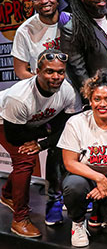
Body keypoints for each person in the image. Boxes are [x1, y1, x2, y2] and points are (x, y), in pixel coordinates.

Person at [0, 49, 81, 236]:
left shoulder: (68, 91)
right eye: (49, 71)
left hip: (27, 124)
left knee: (33, 152)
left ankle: (9, 194)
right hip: (4, 121)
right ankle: (19, 219)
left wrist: (42, 143)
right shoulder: (20, 98)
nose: (56, 77)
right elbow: (14, 136)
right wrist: (45, 131)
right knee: (25, 159)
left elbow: (68, 129)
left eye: (60, 72)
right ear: (37, 71)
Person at [58, 69, 107, 247]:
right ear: (90, 100)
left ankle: (100, 213)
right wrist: (99, 178)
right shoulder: (76, 123)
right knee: (73, 187)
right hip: (84, 176)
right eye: (97, 99)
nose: (102, 104)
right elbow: (70, 162)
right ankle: (77, 223)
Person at [11, 0, 71, 79]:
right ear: (32, 4)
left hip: (74, 88)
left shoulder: (72, 22)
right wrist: (41, 85)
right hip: (45, 90)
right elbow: (20, 71)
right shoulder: (25, 30)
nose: (43, 1)